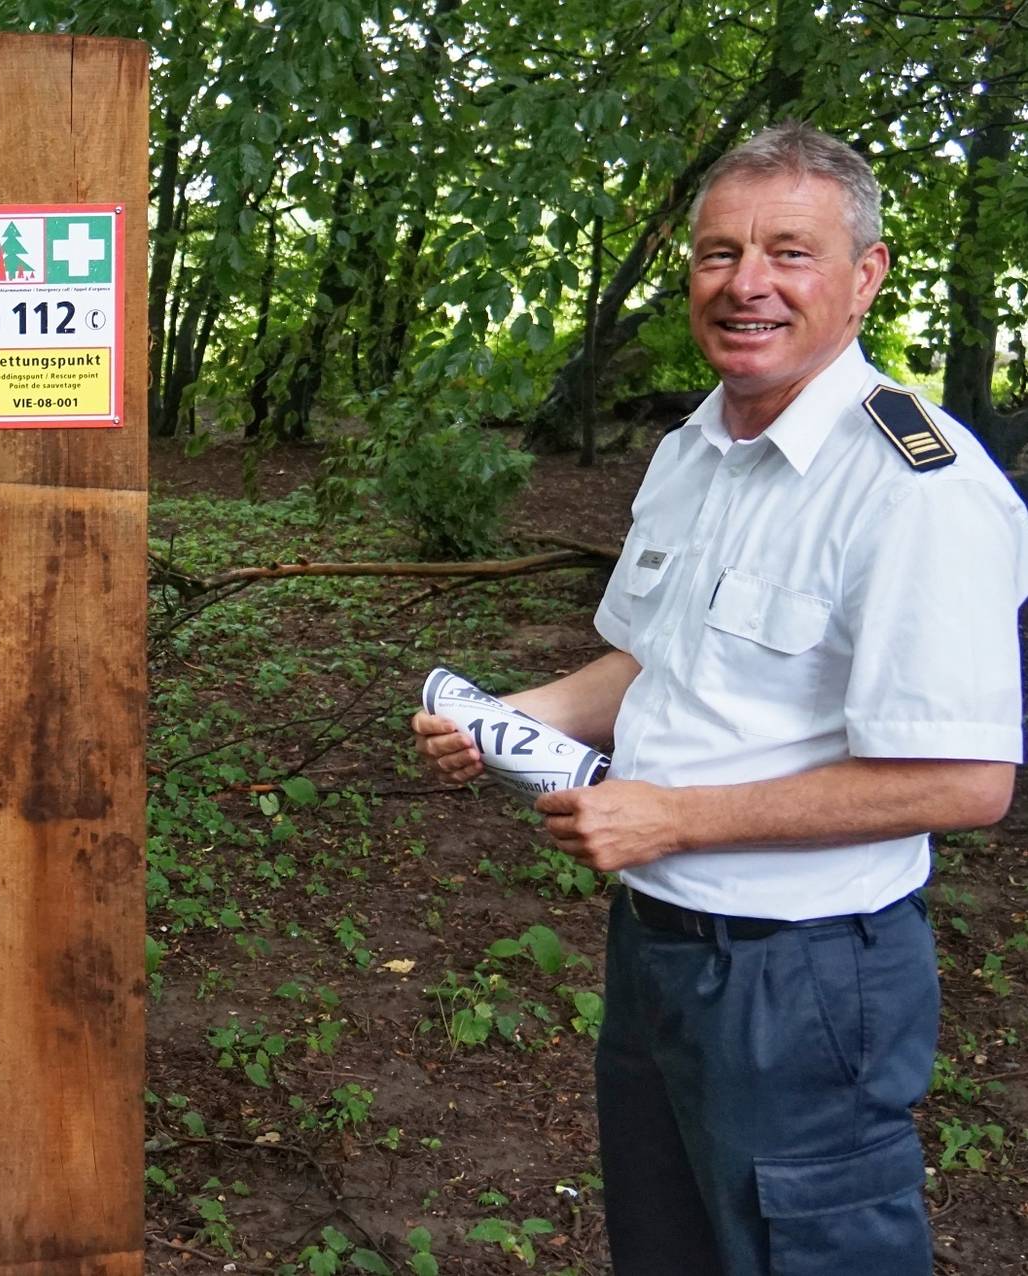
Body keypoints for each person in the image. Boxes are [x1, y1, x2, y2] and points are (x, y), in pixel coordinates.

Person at [412, 122, 1027, 1275]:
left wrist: (677, 815)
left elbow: (966, 779)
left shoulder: (915, 488)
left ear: (865, 276)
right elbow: (656, 664)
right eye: (718, 254)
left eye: (790, 252)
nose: (748, 284)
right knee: (670, 1245)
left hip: (807, 977)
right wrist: (518, 713)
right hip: (659, 951)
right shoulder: (693, 448)